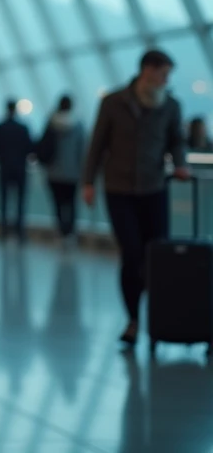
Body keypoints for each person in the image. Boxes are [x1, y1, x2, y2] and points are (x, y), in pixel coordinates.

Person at [83, 49, 190, 347]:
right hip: (119, 190)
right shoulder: (113, 102)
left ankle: (158, 316)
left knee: (156, 254)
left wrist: (180, 164)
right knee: (131, 255)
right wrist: (88, 182)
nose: (166, 80)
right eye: (163, 74)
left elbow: (176, 141)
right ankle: (133, 318)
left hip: (154, 188)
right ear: (147, 70)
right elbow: (97, 144)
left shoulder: (170, 105)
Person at [40, 95, 86, 243]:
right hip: (72, 173)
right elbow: (82, 150)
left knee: (57, 204)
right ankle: (70, 232)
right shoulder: (78, 125)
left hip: (54, 173)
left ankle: (61, 231)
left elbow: (43, 146)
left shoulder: (51, 123)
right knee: (71, 204)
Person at [0, 100, 34, 242]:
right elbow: (30, 147)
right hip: (20, 169)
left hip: (4, 168)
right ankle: (19, 230)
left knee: (4, 200)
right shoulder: (23, 128)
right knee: (20, 201)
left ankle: (3, 229)